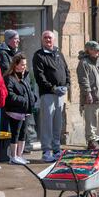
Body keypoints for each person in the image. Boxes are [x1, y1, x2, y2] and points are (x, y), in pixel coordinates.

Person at [33, 30, 70, 162]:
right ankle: (46, 151)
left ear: (54, 40)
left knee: (57, 124)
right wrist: (53, 88)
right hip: (48, 94)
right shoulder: (39, 55)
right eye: (45, 38)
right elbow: (39, 76)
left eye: (50, 38)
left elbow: (66, 70)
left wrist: (67, 85)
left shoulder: (58, 53)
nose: (48, 40)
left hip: (60, 94)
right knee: (47, 124)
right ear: (42, 40)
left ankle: (56, 149)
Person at [4, 53, 37, 165]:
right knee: (15, 133)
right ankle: (13, 156)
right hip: (15, 111)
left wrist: (33, 98)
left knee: (23, 134)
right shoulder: (9, 78)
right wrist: (24, 100)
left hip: (26, 111)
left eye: (25, 64)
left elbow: (29, 90)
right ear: (16, 65)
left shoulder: (24, 76)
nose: (24, 66)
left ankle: (19, 155)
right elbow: (10, 95)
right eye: (22, 64)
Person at [77, 41, 99, 149]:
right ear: (88, 50)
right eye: (95, 50)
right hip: (91, 97)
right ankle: (91, 141)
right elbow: (83, 80)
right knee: (91, 120)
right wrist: (88, 93)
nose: (97, 51)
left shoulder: (98, 62)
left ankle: (97, 140)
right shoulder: (84, 63)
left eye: (98, 50)